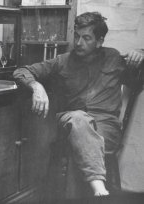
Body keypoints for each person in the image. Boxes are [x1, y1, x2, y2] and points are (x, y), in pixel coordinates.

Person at [13, 11, 144, 196]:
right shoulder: (62, 61)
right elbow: (22, 71)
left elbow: (138, 76)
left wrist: (140, 53)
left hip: (106, 127)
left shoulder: (114, 58)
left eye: (86, 38)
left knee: (80, 140)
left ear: (99, 41)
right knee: (79, 119)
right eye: (76, 36)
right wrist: (36, 86)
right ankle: (99, 188)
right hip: (71, 121)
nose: (79, 42)